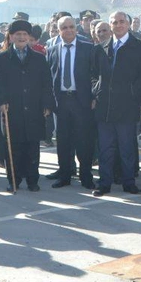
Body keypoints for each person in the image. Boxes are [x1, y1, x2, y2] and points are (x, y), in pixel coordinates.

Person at [90, 11, 141, 196]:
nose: (118, 25)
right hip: (105, 108)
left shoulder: (140, 48)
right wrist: (97, 89)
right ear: (110, 25)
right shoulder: (100, 48)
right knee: (105, 148)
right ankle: (104, 183)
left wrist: (134, 92)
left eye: (121, 22)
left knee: (126, 148)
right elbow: (93, 74)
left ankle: (128, 182)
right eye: (114, 22)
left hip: (127, 107)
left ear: (128, 23)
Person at [0, 20, 54, 191]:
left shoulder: (39, 58)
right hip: (11, 108)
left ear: (29, 37)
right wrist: (1, 101)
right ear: (11, 37)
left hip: (34, 108)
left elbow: (46, 83)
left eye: (24, 35)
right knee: (14, 146)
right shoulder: (2, 58)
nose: (21, 37)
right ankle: (14, 180)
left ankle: (32, 180)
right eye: (17, 34)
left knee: (32, 147)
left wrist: (47, 103)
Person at [48, 16, 97, 189]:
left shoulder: (88, 48)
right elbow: (50, 77)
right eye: (64, 28)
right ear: (59, 30)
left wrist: (93, 97)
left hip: (81, 101)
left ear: (76, 29)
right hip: (61, 101)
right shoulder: (52, 50)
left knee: (84, 140)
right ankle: (65, 175)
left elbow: (95, 75)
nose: (68, 30)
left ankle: (86, 175)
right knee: (63, 140)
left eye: (71, 27)